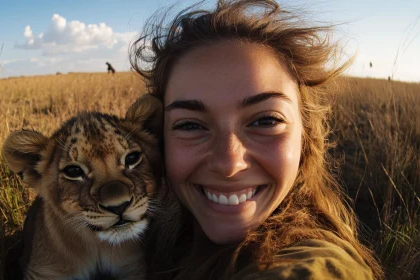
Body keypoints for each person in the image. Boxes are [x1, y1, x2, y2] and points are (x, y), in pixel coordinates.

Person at [130, 0, 384, 279]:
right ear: (159, 141)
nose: (229, 164)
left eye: (266, 121)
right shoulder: (148, 231)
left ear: (306, 137)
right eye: (190, 125)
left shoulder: (315, 264)